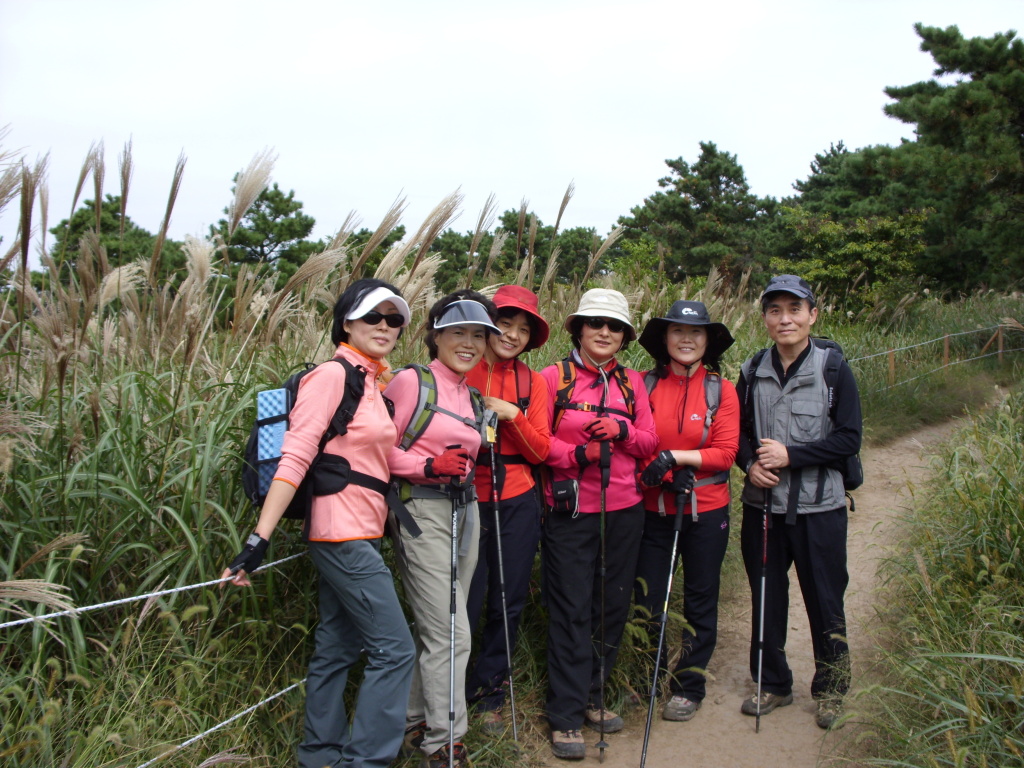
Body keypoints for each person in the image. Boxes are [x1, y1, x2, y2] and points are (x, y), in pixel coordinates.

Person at [221, 278, 416, 768]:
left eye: (395, 319)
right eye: (374, 316)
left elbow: (378, 459)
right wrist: (257, 540)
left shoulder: (371, 382)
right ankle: (366, 761)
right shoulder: (332, 376)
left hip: (363, 533)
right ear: (347, 321)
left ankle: (320, 755)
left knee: (338, 645)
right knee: (395, 651)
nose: (386, 326)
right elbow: (296, 456)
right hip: (341, 533)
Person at [735, 274, 862, 730]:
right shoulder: (751, 371)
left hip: (820, 509)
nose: (785, 318)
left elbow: (849, 438)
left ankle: (831, 689)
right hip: (762, 506)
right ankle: (772, 683)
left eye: (794, 309)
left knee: (825, 600)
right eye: (775, 310)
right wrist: (749, 464)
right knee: (766, 596)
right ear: (766, 318)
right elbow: (737, 436)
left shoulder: (832, 369)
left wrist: (793, 456)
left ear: (813, 314)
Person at [539, 288, 659, 760]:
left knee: (611, 604)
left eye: (613, 327)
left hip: (625, 509)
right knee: (571, 608)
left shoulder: (632, 383)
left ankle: (593, 693)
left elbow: (649, 441)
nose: (604, 332)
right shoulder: (554, 378)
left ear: (625, 335)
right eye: (595, 324)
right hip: (570, 511)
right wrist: (576, 453)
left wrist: (622, 431)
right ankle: (565, 715)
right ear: (578, 329)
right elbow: (537, 441)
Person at [385, 290, 502, 768]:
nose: (470, 343)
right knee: (453, 631)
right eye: (459, 333)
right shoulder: (412, 382)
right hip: (421, 512)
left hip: (465, 510)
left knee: (438, 627)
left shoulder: (470, 394)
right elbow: (375, 450)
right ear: (436, 335)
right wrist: (427, 465)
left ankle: (415, 719)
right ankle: (445, 743)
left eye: (479, 335)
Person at [634, 300, 740, 722]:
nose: (687, 339)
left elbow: (726, 452)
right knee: (648, 597)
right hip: (652, 509)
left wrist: (678, 459)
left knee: (700, 597)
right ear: (665, 338)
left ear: (707, 341)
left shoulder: (721, 390)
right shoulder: (642, 385)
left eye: (696, 333)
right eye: (678, 331)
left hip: (707, 510)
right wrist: (659, 474)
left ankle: (689, 684)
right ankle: (645, 675)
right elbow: (633, 447)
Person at [464, 285, 552, 734]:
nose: (512, 335)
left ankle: (489, 693)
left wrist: (511, 416)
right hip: (463, 500)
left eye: (523, 329)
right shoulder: (461, 366)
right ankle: (450, 693)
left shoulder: (533, 383)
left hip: (516, 499)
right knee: (464, 600)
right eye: (504, 323)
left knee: (507, 599)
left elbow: (542, 452)